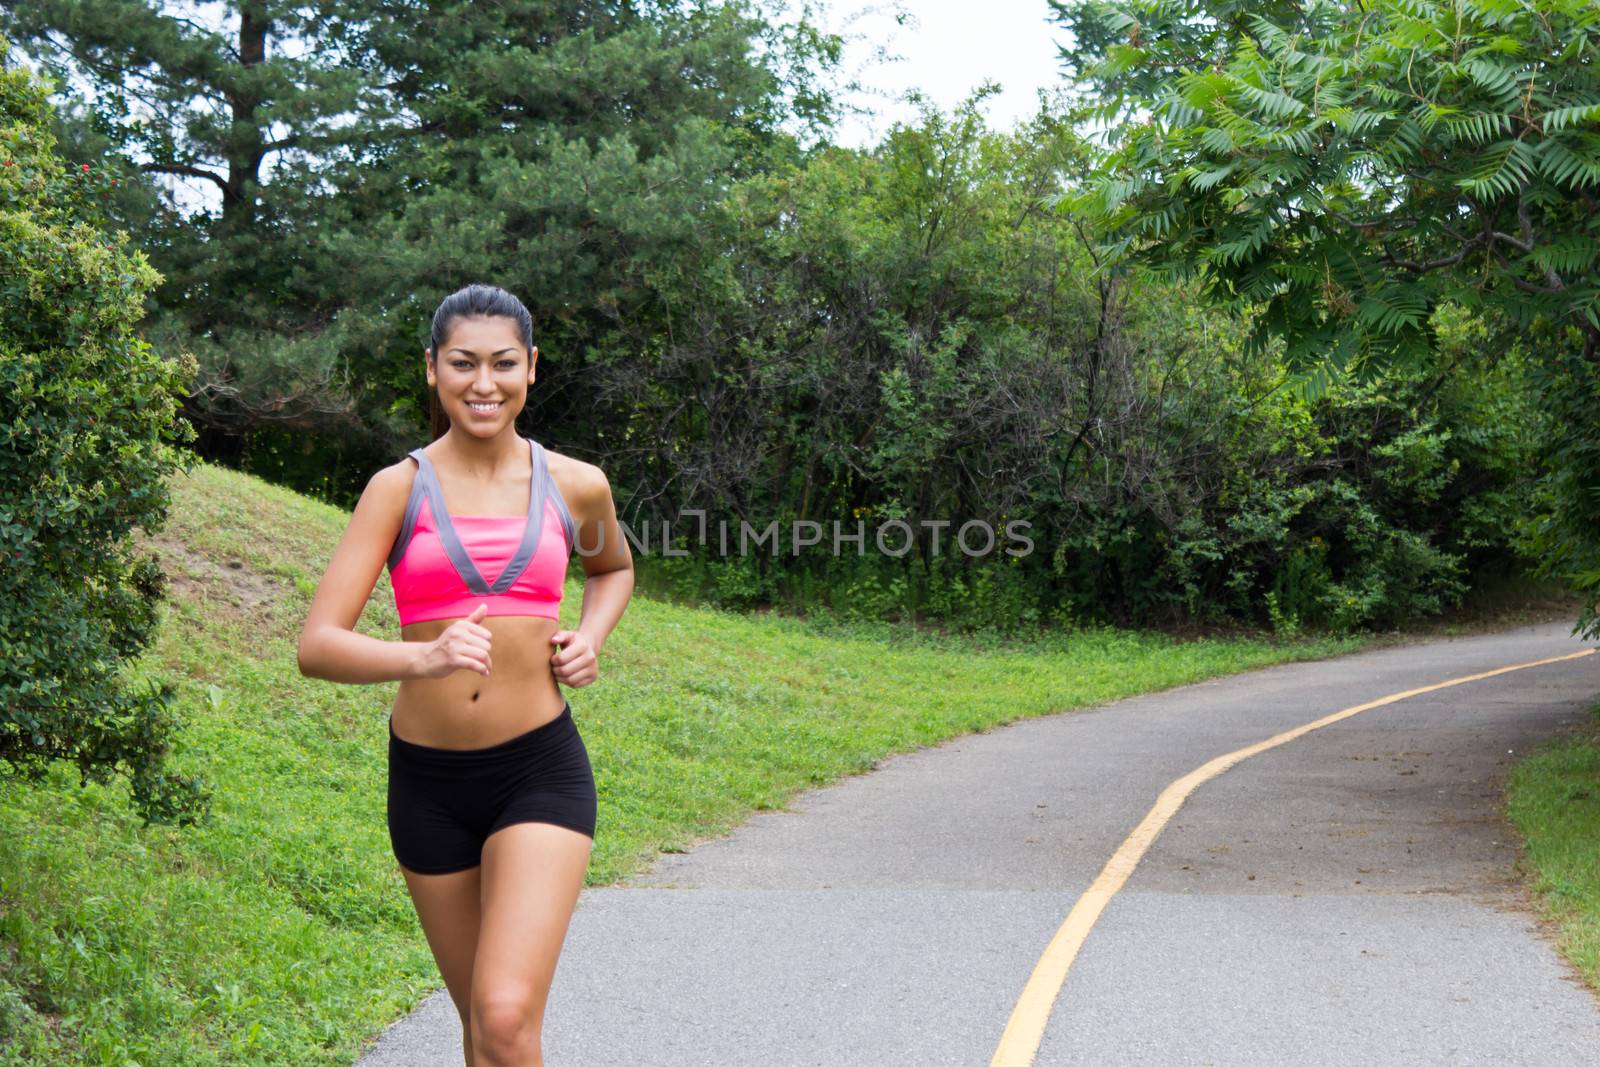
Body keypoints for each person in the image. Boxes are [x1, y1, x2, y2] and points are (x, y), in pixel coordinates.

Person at [297, 283, 634, 1067]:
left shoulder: (575, 484)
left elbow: (611, 567)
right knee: (482, 1032)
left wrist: (591, 634)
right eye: (463, 363)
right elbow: (317, 644)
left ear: (531, 368)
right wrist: (424, 654)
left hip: (538, 770)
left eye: (503, 363)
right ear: (432, 369)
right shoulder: (398, 489)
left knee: (507, 1016)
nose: (484, 383)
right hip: (429, 785)